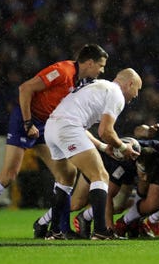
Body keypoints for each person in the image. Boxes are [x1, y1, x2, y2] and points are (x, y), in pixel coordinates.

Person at [0, 44, 108, 240]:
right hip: (26, 120)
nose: (102, 71)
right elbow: (25, 88)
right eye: (101, 66)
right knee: (9, 175)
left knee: (67, 173)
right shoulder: (62, 71)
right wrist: (27, 121)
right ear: (89, 63)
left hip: (48, 126)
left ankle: (62, 229)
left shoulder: (81, 81)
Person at [44, 68, 142, 240]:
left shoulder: (99, 86)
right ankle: (100, 231)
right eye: (137, 90)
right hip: (67, 128)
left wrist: (104, 148)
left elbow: (82, 126)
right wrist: (122, 147)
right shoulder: (116, 94)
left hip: (52, 127)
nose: (136, 95)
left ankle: (55, 231)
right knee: (100, 176)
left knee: (65, 180)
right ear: (130, 83)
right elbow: (106, 131)